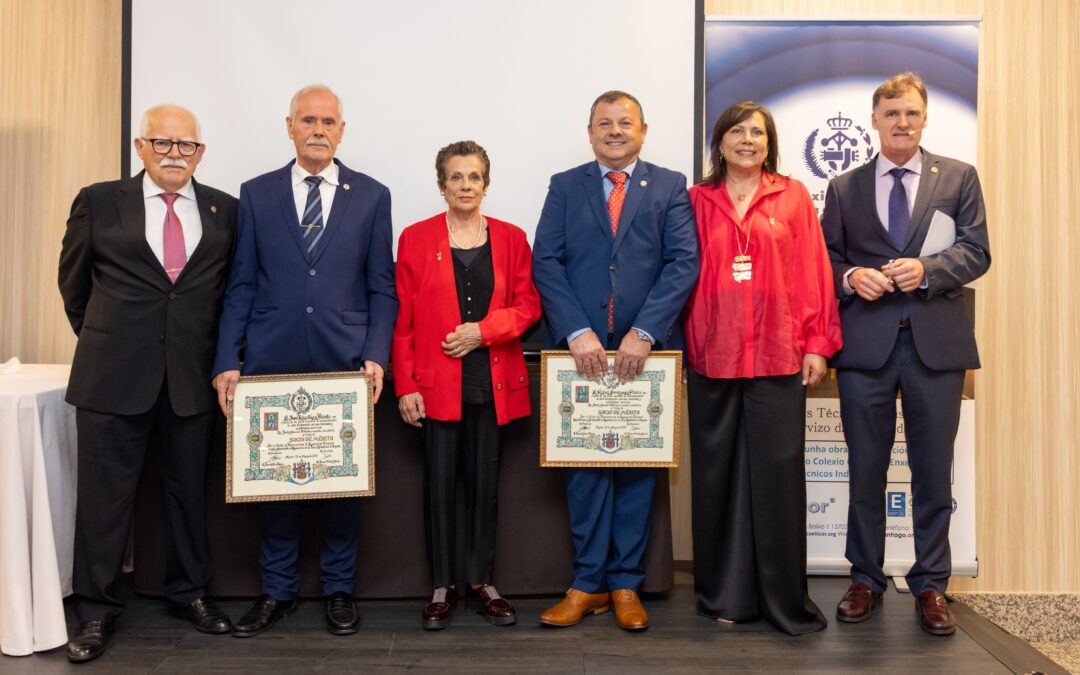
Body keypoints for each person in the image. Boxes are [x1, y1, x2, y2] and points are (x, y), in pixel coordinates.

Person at [211, 84, 397, 637]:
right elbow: (241, 284)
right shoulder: (256, 194)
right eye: (308, 120)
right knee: (275, 484)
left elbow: (381, 288)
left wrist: (375, 355)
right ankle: (277, 592)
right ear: (288, 126)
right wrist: (228, 359)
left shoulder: (372, 195)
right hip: (271, 359)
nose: (318, 129)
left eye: (329, 121)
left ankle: (339, 589)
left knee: (342, 484)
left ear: (342, 130)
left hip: (346, 361)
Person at [58, 105, 237, 662]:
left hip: (190, 378)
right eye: (162, 143)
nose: (174, 154)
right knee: (104, 501)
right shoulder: (99, 200)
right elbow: (74, 287)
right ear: (141, 146)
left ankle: (190, 593)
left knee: (189, 496)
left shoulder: (225, 210)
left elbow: (228, 293)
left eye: (186, 145)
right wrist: (110, 339)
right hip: (112, 377)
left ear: (200, 153)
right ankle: (95, 610)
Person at [822, 71, 990, 636]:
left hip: (935, 347)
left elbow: (977, 252)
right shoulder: (844, 187)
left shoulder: (959, 177)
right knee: (865, 469)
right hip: (865, 347)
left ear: (924, 118)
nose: (902, 123)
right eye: (891, 113)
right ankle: (864, 578)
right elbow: (826, 259)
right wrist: (851, 280)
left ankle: (932, 584)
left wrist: (928, 271)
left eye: (911, 113)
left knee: (932, 473)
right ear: (874, 120)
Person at [532, 91, 699, 631]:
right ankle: (587, 585)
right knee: (584, 472)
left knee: (635, 473)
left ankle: (626, 584)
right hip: (579, 358)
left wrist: (644, 332)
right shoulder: (565, 185)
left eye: (624, 122)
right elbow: (547, 261)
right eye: (604, 123)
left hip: (642, 357)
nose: (614, 131)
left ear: (643, 130)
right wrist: (576, 331)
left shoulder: (671, 185)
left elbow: (683, 263)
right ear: (589, 131)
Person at [683, 101, 841, 635]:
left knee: (777, 477)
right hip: (714, 354)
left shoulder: (793, 195)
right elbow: (680, 275)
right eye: (737, 131)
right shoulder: (695, 200)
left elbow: (814, 272)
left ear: (769, 143)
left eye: (757, 132)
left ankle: (780, 600)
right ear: (720, 142)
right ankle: (724, 595)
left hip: (779, 353)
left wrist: (817, 343)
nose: (747, 140)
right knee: (716, 478)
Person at [392, 140, 541, 630]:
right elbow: (404, 322)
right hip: (435, 387)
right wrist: (406, 385)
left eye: (474, 177)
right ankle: (442, 587)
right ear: (441, 185)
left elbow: (528, 306)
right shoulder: (415, 239)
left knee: (485, 488)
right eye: (455, 177)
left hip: (492, 384)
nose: (465, 186)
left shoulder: (513, 239)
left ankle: (481, 582)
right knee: (438, 489)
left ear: (486, 184)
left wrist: (483, 331)